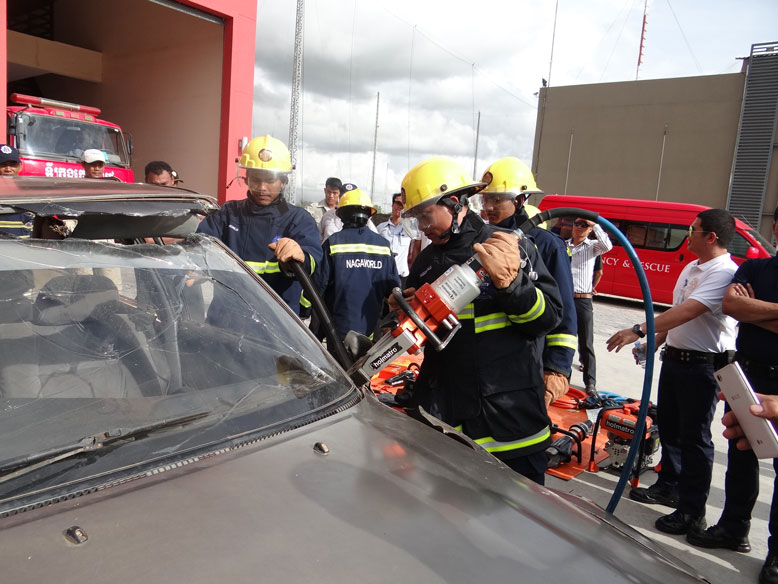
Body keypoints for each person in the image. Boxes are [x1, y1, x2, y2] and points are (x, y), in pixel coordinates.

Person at [397, 157, 563, 484]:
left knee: (518, 524)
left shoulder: (508, 246)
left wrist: (512, 286)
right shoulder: (427, 261)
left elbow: (548, 319)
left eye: (425, 215)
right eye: (415, 219)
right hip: (449, 424)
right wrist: (401, 311)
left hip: (511, 424)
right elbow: (423, 339)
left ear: (454, 202)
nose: (423, 227)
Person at [606, 208, 738, 538]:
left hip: (703, 365)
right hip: (677, 360)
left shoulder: (723, 272)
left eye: (693, 230)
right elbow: (678, 314)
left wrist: (639, 329)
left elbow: (693, 309)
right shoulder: (693, 267)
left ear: (711, 237)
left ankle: (693, 511)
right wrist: (656, 341)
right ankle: (669, 486)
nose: (687, 236)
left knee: (695, 438)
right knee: (671, 429)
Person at [687, 205, 778, 584]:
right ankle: (734, 528)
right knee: (743, 455)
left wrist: (754, 310)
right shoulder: (755, 268)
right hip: (748, 375)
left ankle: (776, 553)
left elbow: (744, 307)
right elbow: (730, 304)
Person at [474, 157, 578, 408]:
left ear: (519, 201)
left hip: (528, 361)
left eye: (496, 200)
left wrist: (557, 368)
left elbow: (563, 311)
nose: (487, 207)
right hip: (486, 363)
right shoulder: (479, 240)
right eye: (485, 200)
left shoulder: (547, 244)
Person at [196, 134, 322, 316]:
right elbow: (198, 248)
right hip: (226, 320)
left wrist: (301, 256)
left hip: (279, 323)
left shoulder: (299, 220)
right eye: (256, 179)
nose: (262, 187)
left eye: (270, 180)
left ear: (283, 181)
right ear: (246, 179)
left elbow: (313, 262)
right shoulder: (226, 215)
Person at [315, 184, 399, 340]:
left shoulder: (333, 243)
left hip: (338, 331)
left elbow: (319, 286)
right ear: (369, 214)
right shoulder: (383, 245)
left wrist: (306, 313)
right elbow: (393, 290)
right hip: (371, 329)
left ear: (341, 215)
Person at [566, 217, 612, 394]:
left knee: (586, 342)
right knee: (563, 339)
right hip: (566, 298)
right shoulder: (564, 245)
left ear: (590, 229)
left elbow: (608, 246)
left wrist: (595, 225)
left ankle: (590, 383)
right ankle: (562, 377)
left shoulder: (593, 247)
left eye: (584, 225)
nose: (579, 227)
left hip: (583, 300)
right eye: (576, 223)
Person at [376, 192, 413, 288]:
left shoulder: (410, 228)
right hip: (383, 276)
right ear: (393, 204)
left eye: (403, 204)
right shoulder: (380, 228)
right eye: (398, 203)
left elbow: (416, 247)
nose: (400, 207)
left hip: (402, 277)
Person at [0, 145, 34, 238]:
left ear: (20, 166)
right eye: (3, 164)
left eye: (12, 164)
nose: (8, 169)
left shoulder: (30, 193)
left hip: (24, 250)